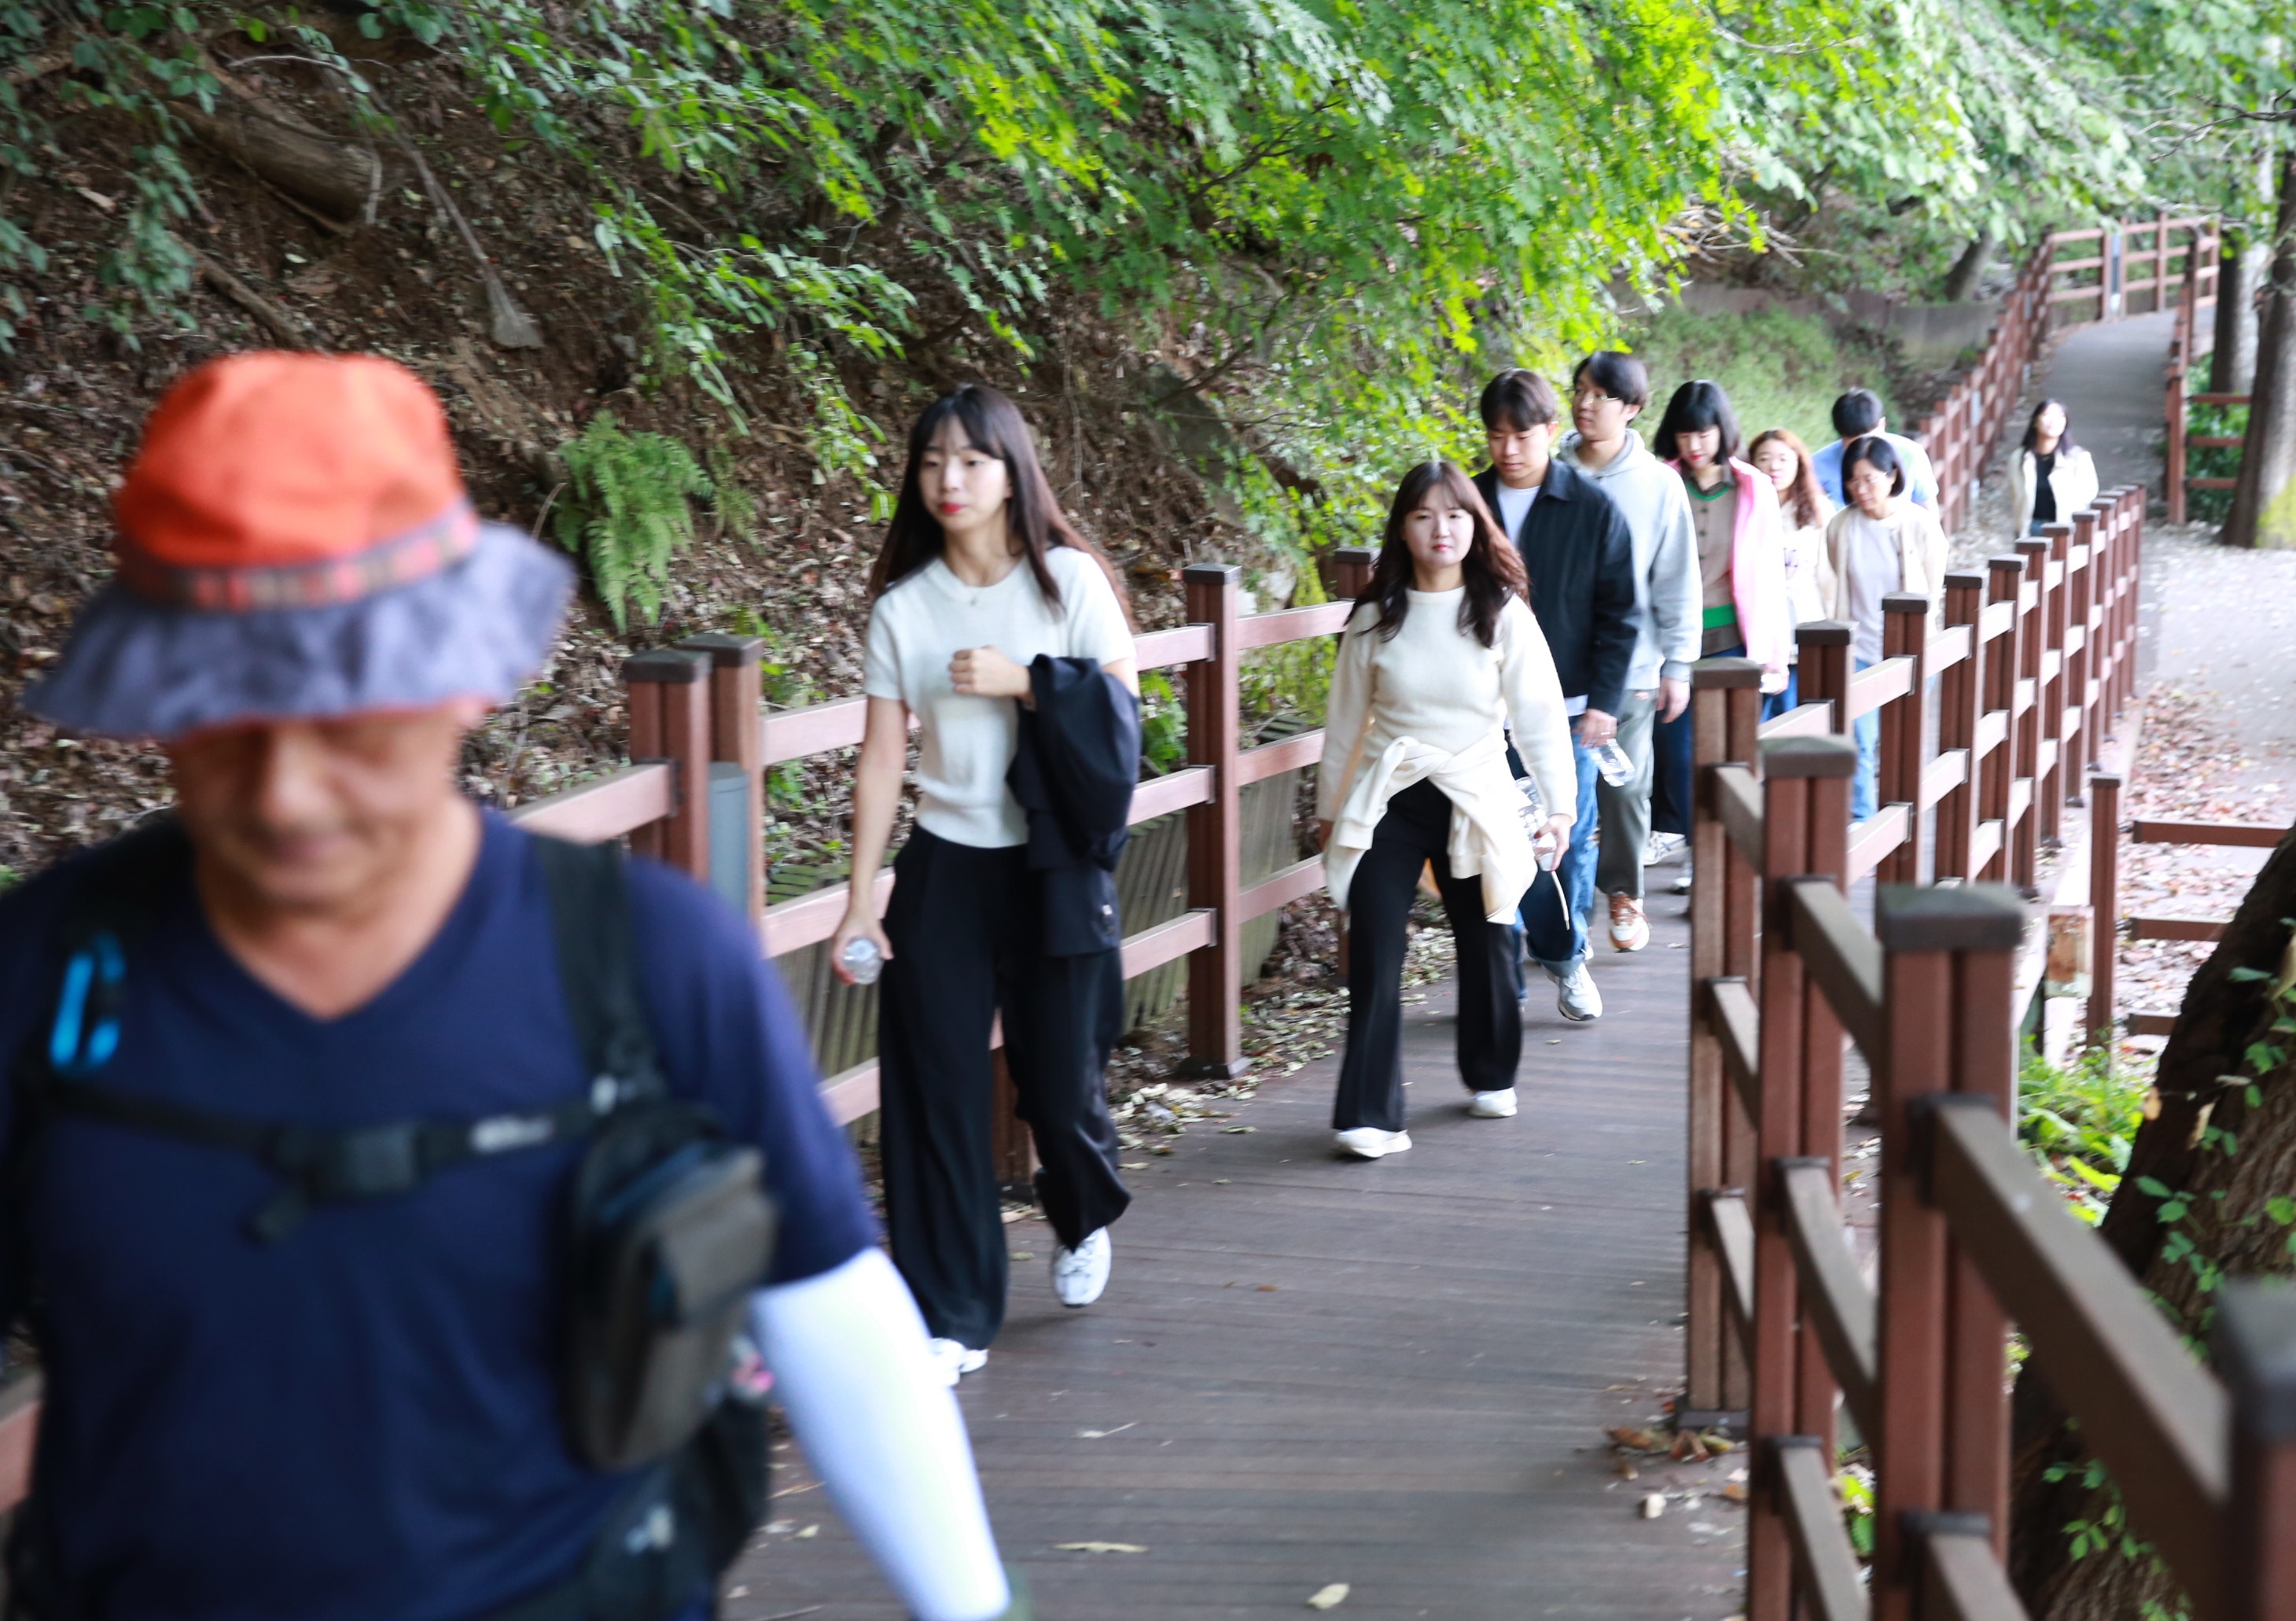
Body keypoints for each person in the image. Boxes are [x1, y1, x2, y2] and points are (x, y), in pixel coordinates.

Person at [2, 353, 1021, 1621]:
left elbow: (819, 1295)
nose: (287, 792)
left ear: (463, 680)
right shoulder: (46, 972)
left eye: (350, 716)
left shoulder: (645, 961)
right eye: (222, 719)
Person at [833, 384, 1139, 1387]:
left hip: (1050, 867)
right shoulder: (902, 608)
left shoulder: (1070, 587)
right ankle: (951, 1309)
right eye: (930, 464)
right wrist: (857, 894)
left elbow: (1123, 723)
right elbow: (882, 758)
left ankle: (1082, 1211)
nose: (948, 481)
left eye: (969, 461)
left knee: (1060, 1083)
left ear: (1012, 472)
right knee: (933, 1094)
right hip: (945, 866)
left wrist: (1028, 680)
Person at [1317, 461, 1576, 1159]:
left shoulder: (1500, 611)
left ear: (1474, 524)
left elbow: (1540, 716)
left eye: (1456, 515)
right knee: (1374, 945)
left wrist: (1560, 806)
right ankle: (1368, 1114)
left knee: (1488, 932)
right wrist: (1329, 808)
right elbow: (1344, 723)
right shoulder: (1377, 616)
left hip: (1477, 788)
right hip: (1391, 792)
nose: (1442, 529)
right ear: (1403, 528)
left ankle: (1491, 1072)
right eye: (1425, 516)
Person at [1471, 368, 1639, 1022]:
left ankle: (1566, 959)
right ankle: (1501, 973)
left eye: (1521, 435)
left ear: (1549, 431)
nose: (1508, 449)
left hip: (1568, 707)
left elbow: (1621, 611)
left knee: (1558, 839)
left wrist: (1605, 699)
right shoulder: (1469, 503)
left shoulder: (1592, 507)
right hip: (1483, 710)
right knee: (1490, 840)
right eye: (1495, 435)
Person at [1554, 352, 1698, 954]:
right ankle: (1559, 913)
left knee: (1625, 788)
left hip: (1634, 665)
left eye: (1602, 395)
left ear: (1633, 408)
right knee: (1556, 792)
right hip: (1553, 665)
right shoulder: (1546, 470)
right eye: (1581, 390)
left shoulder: (1658, 483)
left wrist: (1679, 664)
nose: (1586, 403)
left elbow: (1676, 577)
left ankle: (1622, 891)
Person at [1647, 381, 1792, 895]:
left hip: (1736, 638)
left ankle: (1718, 855)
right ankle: (1694, 842)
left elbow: (1771, 576)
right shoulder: (1659, 481)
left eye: (1704, 432)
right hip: (1673, 641)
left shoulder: (1754, 486)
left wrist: (1775, 654)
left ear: (1722, 430)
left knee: (1728, 752)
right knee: (1679, 749)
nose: (1695, 444)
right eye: (1685, 433)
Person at [1827, 435, 1949, 821]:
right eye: (1853, 481)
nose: (1861, 489)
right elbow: (1833, 581)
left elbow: (1934, 587)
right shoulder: (1842, 526)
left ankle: (1900, 820)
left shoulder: (1920, 525)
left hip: (1909, 651)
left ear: (1893, 475)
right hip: (1859, 652)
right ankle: (1862, 822)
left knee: (1898, 745)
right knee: (1859, 741)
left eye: (1870, 479)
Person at [1747, 427, 1838, 720]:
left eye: (1784, 459)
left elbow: (1830, 576)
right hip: (1755, 628)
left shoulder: (1818, 510)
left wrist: (1832, 627)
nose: (1774, 466)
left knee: (1794, 711)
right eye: (1765, 458)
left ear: (1799, 463)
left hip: (1804, 625)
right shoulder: (1745, 508)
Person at [1811, 388, 1940, 511]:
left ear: (1882, 424)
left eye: (1869, 440)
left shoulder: (1910, 453)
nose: (1861, 450)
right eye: (1852, 445)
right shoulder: (1818, 465)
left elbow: (1928, 509)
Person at [2009, 397, 2099, 536]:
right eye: (2047, 415)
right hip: (2029, 529)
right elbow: (2016, 496)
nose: (2053, 421)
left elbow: (2088, 494)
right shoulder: (2019, 458)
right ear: (2035, 421)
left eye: (2060, 416)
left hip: (2066, 530)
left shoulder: (2078, 458)